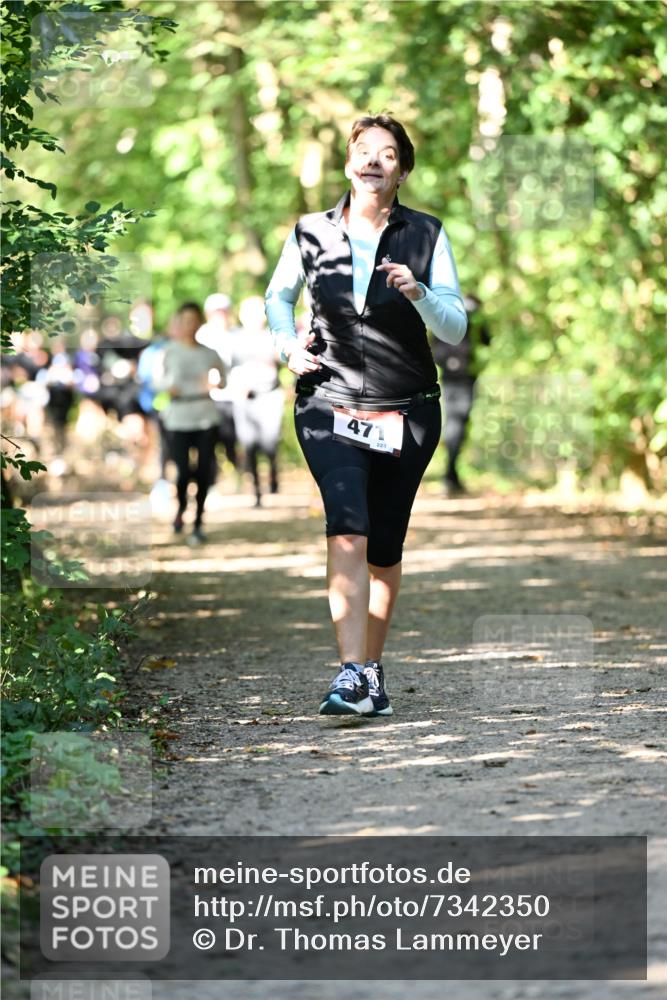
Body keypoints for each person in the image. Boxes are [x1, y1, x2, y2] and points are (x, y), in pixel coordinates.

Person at [265, 113, 467, 717]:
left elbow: (454, 329)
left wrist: (420, 293)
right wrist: (286, 345)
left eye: (387, 154)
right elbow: (278, 297)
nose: (373, 161)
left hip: (407, 410)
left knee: (383, 546)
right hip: (328, 404)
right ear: (348, 162)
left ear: (402, 170)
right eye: (363, 150)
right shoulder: (308, 232)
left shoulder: (427, 235)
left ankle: (370, 674)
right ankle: (351, 672)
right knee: (346, 527)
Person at [157, 302, 225, 544]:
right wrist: (168, 387)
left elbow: (223, 378)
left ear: (200, 323)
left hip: (206, 415)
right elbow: (157, 381)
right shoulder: (168, 351)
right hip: (178, 417)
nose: (190, 325)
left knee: (205, 470)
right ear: (178, 323)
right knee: (183, 470)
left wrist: (215, 384)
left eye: (194, 320)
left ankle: (198, 521)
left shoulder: (209, 352)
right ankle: (181, 510)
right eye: (185, 320)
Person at [226, 295, 284, 507]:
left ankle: (274, 472)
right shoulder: (233, 338)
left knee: (269, 441)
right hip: (244, 397)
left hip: (269, 395)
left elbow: (285, 358)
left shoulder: (274, 335)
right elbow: (225, 367)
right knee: (248, 444)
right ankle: (257, 492)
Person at [433, 293, 490, 495]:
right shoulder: (470, 318)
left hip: (456, 378)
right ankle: (450, 475)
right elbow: (487, 341)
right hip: (460, 379)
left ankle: (451, 474)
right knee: (456, 424)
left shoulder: (453, 315)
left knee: (456, 424)